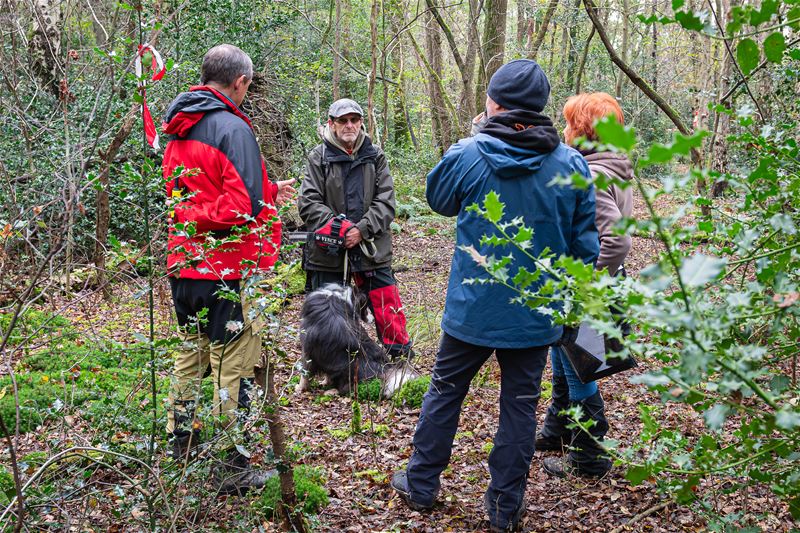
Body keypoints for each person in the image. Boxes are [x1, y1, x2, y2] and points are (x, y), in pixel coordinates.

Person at [391, 59, 599, 532]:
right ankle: (505, 508)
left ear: (495, 102)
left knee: (445, 393)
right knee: (520, 408)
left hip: (472, 308)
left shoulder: (470, 153)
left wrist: (464, 144)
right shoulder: (571, 163)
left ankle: (421, 484)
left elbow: (439, 200)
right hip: (533, 312)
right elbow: (585, 247)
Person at [161, 44, 295, 494]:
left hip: (185, 268)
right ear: (240, 82)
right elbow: (240, 207)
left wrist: (268, 188)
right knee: (232, 366)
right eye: (248, 85)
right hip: (227, 271)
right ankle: (232, 469)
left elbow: (203, 188)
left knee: (190, 357)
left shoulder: (180, 127)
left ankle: (182, 447)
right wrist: (257, 198)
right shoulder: (231, 126)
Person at [538, 92, 634, 479]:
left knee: (581, 367)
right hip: (595, 284)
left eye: (569, 123)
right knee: (562, 357)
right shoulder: (613, 165)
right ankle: (558, 430)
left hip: (588, 288)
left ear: (583, 129)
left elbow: (616, 240)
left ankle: (590, 456)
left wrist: (588, 284)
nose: (563, 130)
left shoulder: (591, 174)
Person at [297, 98, 413, 359]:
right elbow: (308, 202)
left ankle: (400, 360)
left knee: (387, 305)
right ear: (332, 124)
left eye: (354, 120)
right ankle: (327, 366)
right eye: (342, 120)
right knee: (325, 314)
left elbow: (386, 201)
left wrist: (361, 229)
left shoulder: (375, 156)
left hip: (371, 248)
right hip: (327, 252)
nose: (349, 125)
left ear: (361, 122)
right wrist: (339, 228)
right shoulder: (319, 157)